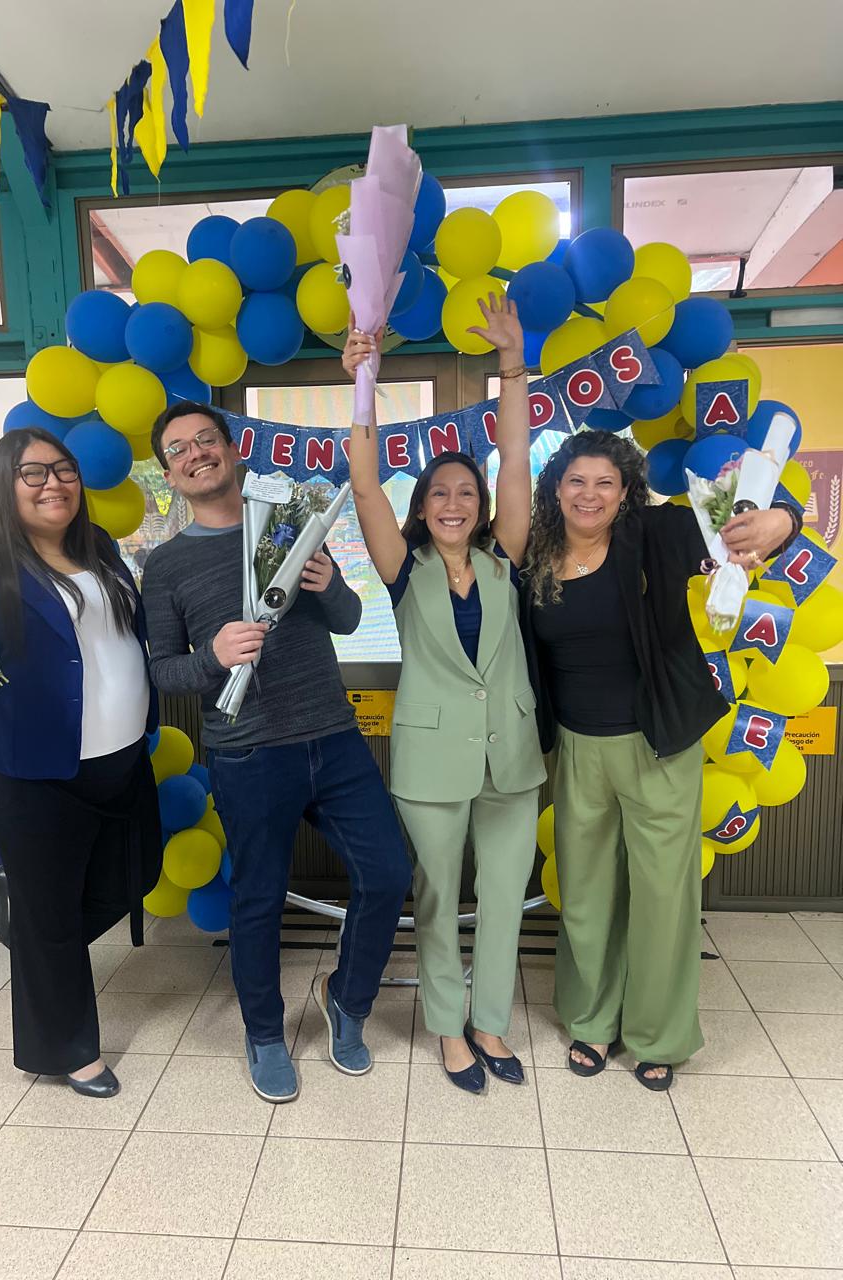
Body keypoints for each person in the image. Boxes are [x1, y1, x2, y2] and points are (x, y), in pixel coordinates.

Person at [141, 403, 411, 1104]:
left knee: (386, 872)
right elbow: (161, 670)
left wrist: (328, 587)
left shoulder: (291, 524)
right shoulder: (166, 565)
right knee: (256, 901)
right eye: (179, 450)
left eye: (206, 440)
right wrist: (212, 655)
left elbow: (350, 620)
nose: (196, 453)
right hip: (248, 754)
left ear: (232, 450)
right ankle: (263, 1033)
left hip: (334, 738)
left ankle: (346, 1002)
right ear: (171, 474)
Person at [520, 429, 802, 1090]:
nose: (589, 494)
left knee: (661, 896)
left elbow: (760, 509)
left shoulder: (660, 533)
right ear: (556, 489)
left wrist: (781, 517)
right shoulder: (536, 555)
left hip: (657, 742)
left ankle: (657, 1034)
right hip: (577, 747)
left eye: (604, 483)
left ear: (625, 492)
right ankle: (592, 1019)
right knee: (587, 895)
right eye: (576, 481)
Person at [0, 427, 163, 1099]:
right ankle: (66, 1051)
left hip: (123, 760)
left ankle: (20, 917)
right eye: (33, 473)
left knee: (134, 877)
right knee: (53, 924)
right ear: (5, 484)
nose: (54, 483)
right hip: (32, 775)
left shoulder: (100, 548)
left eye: (64, 470)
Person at [344, 295, 546, 1094]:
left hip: (513, 757)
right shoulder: (405, 570)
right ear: (423, 510)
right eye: (439, 496)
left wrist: (512, 365)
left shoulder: (506, 559)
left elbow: (520, 462)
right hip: (431, 763)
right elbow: (363, 488)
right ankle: (447, 1028)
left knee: (502, 898)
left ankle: (491, 1021)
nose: (455, 503)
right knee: (436, 902)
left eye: (466, 492)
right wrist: (364, 378)